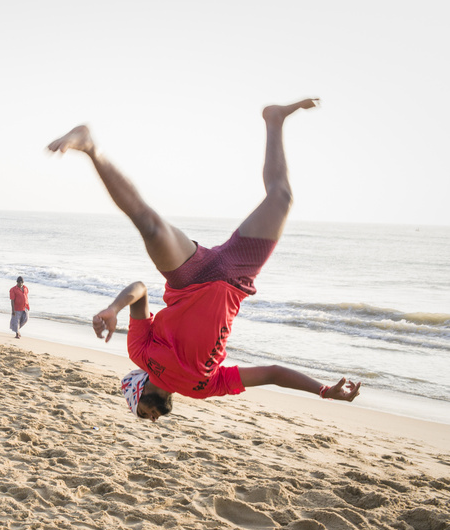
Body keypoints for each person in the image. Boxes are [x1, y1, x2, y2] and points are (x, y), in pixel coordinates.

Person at [47, 99, 361, 423]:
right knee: (282, 197)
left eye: (142, 414)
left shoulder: (139, 354)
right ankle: (275, 119)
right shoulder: (203, 388)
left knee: (151, 227)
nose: (151, 418)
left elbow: (140, 290)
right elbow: (272, 373)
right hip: (238, 277)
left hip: (190, 278)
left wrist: (113, 309)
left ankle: (89, 147)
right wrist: (323, 390)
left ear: (136, 391)